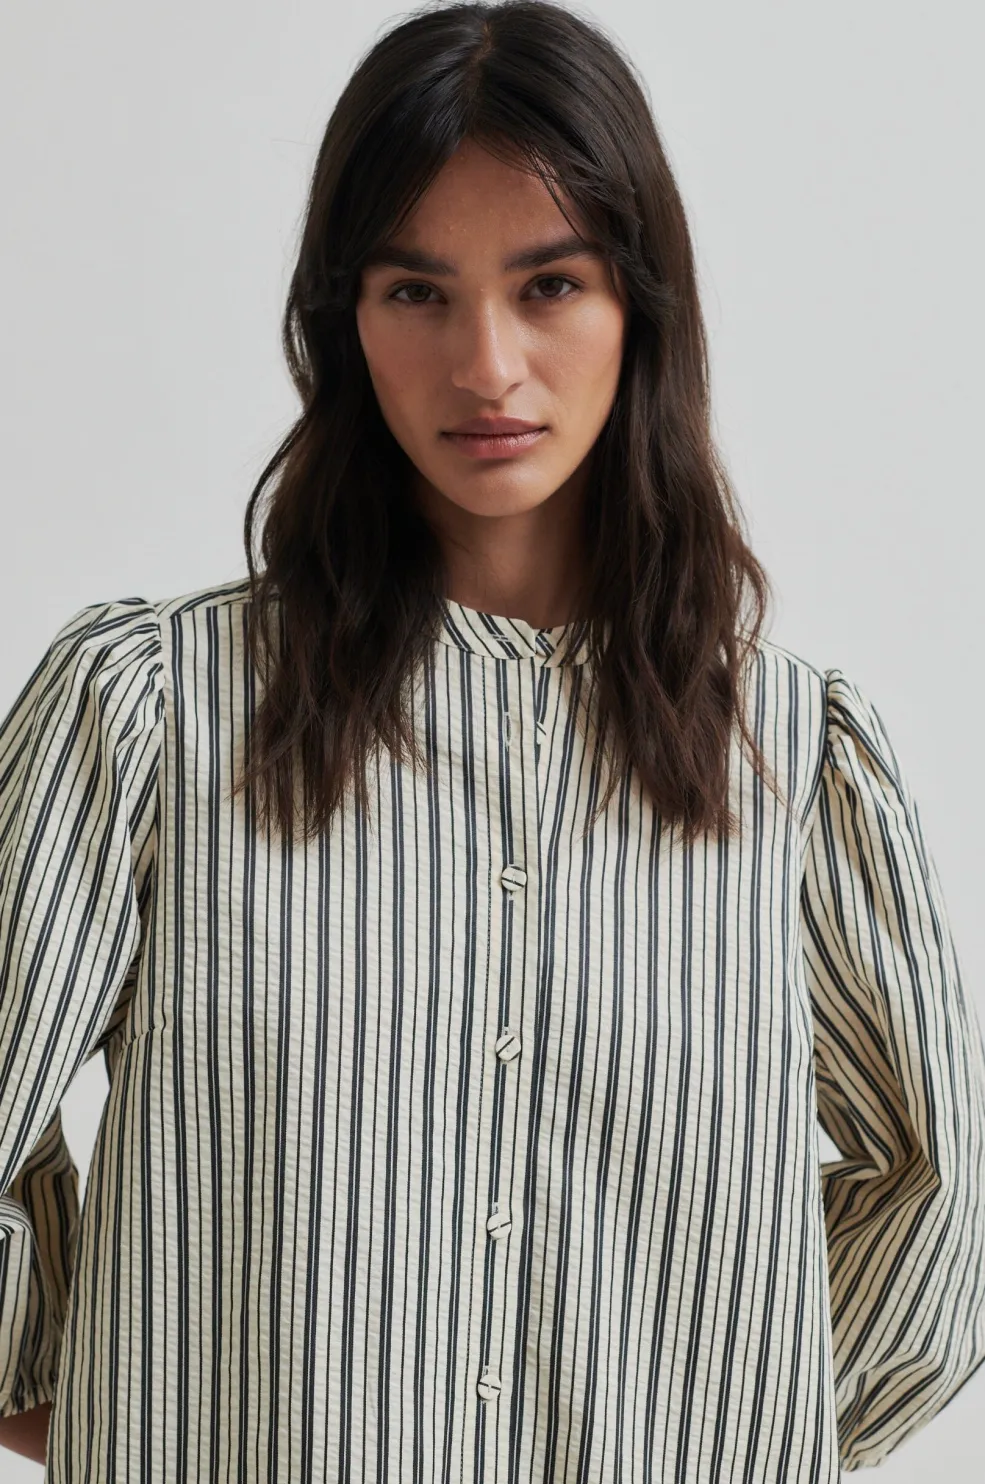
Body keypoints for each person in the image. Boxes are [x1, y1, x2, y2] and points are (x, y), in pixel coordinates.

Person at [2, 2, 984, 1479]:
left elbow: (942, 1193)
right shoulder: (150, 713)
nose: (488, 365)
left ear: (639, 306)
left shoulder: (796, 760)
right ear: (344, 318)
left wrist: (719, 1415)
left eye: (550, 285)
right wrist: (80, 1389)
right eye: (416, 290)